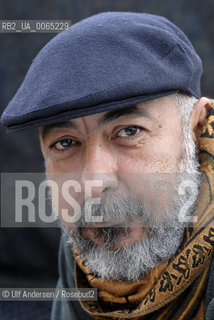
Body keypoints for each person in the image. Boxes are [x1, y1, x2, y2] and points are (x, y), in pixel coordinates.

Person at [1, 12, 214, 320]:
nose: (93, 183)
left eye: (129, 131)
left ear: (196, 129)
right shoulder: (92, 237)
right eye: (65, 143)